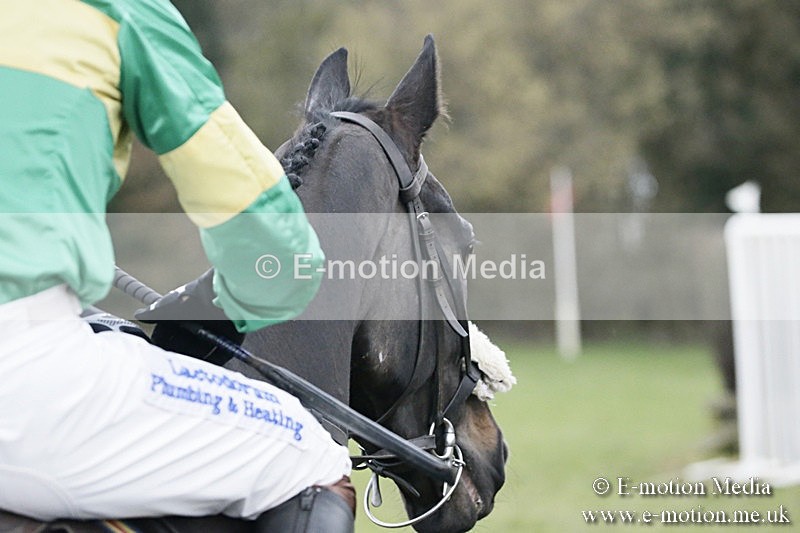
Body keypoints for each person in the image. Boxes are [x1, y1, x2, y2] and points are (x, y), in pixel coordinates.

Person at [0, 0, 354, 530]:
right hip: (23, 371)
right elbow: (273, 254)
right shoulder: (119, 11)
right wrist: (234, 303)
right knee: (313, 462)